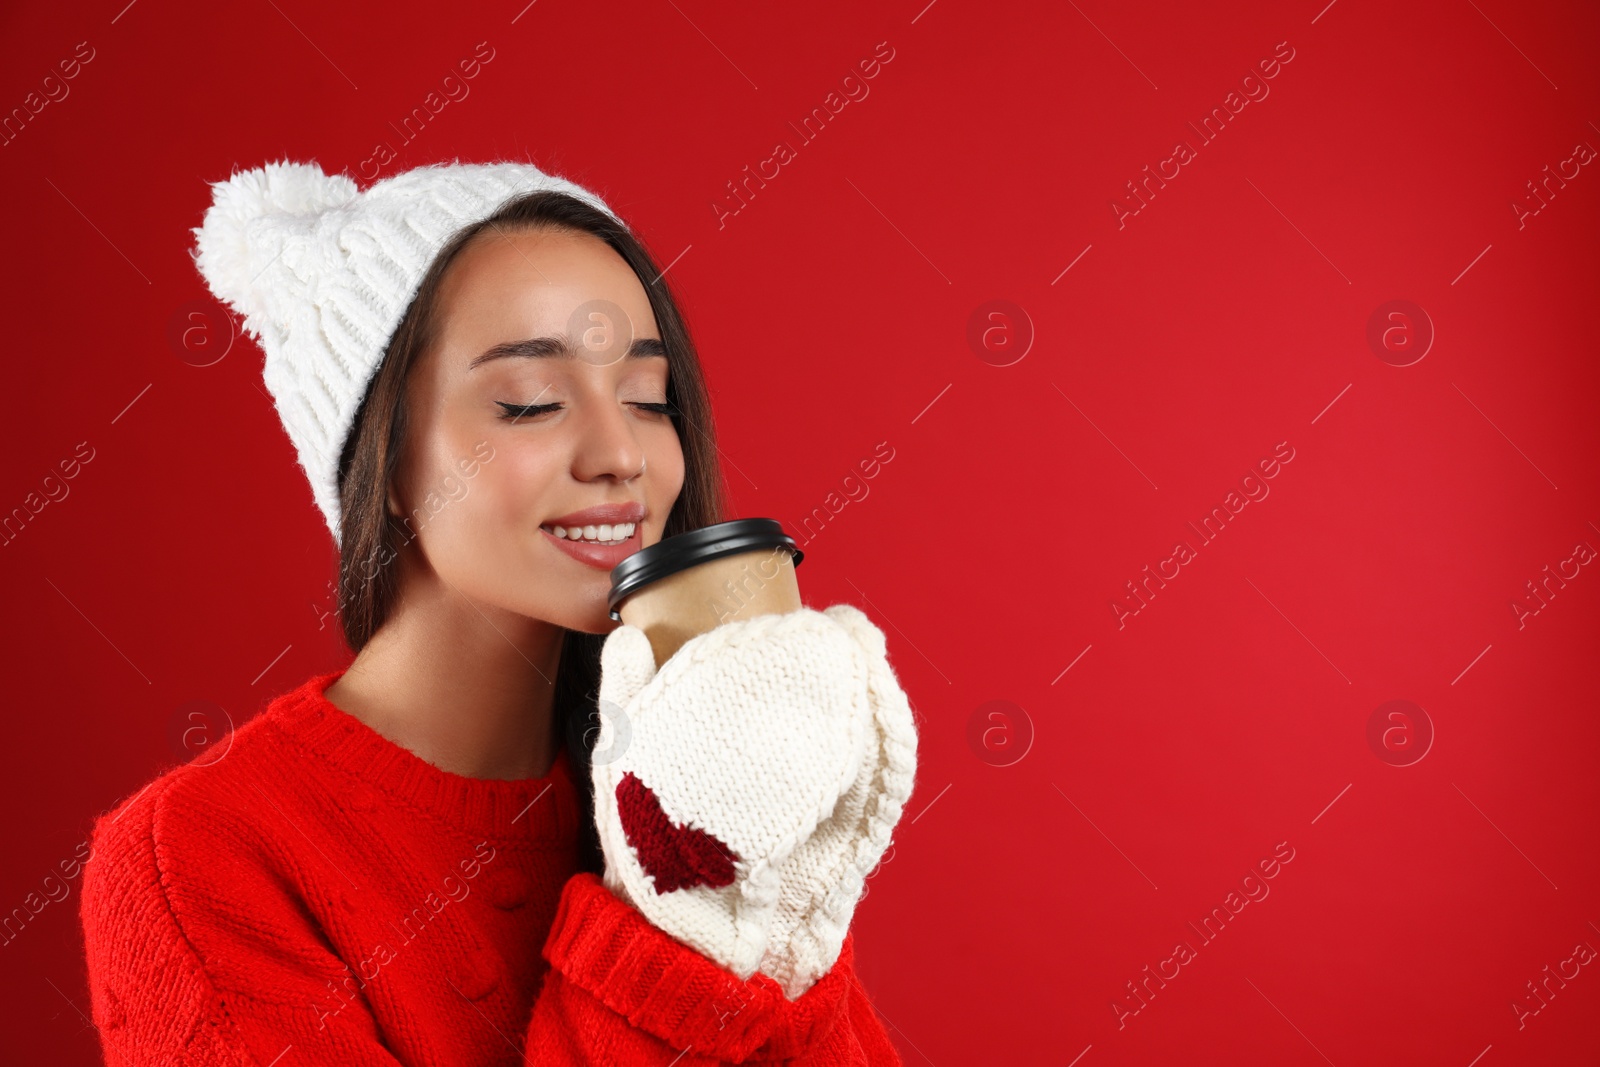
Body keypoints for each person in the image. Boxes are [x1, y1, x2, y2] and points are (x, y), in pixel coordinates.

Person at [77, 159, 919, 1065]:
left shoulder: (678, 776)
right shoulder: (198, 861)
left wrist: (765, 883)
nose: (620, 453)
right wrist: (685, 927)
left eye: (647, 398)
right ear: (386, 466)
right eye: (532, 403)